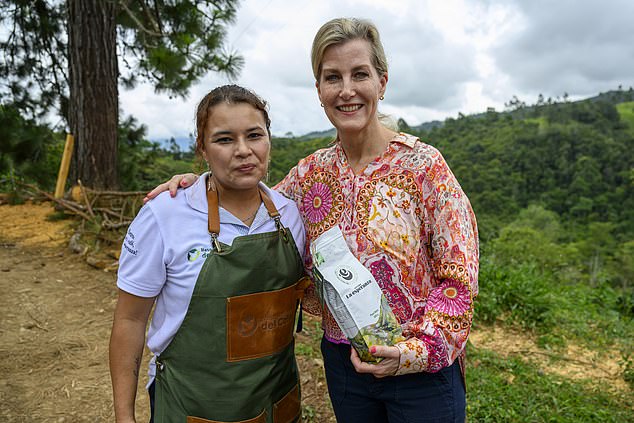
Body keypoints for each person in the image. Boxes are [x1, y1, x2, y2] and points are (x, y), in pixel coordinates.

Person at [147, 18, 479, 423]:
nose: (346, 90)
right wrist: (196, 186)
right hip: (346, 366)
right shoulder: (310, 176)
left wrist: (413, 353)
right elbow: (251, 201)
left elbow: (458, 280)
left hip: (422, 375)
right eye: (332, 77)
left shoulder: (424, 168)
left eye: (360, 74)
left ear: (382, 82)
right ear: (319, 90)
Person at [109, 85, 308, 423]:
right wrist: (125, 418)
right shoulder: (165, 216)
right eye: (224, 139)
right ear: (201, 148)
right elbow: (130, 320)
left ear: (269, 140)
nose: (243, 151)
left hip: (275, 403)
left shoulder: (291, 214)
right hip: (192, 406)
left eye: (254, 135)